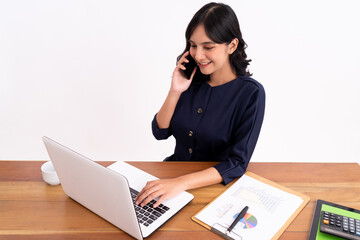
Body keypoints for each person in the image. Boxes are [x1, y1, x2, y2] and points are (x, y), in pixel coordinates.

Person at [135, 2, 265, 208]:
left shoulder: (250, 93)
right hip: (170, 180)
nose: (198, 55)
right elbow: (160, 132)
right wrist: (175, 91)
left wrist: (181, 183)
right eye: (193, 45)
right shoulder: (191, 80)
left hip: (211, 191)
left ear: (232, 46)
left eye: (208, 47)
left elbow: (237, 163)